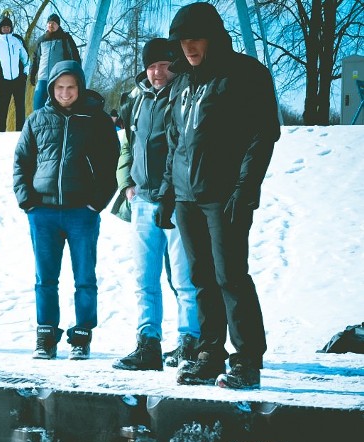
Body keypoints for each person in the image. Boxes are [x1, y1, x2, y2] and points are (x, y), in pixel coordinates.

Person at [156, 2, 280, 389]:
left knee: (230, 276)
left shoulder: (244, 74)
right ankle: (211, 353)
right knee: (200, 277)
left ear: (213, 37)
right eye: (182, 40)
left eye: (196, 38)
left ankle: (247, 359)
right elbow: (175, 142)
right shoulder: (181, 83)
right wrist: (167, 194)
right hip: (188, 196)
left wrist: (245, 189)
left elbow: (263, 135)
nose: (189, 46)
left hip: (225, 196)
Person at [13, 61, 118, 360]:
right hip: (43, 213)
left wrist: (95, 204)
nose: (65, 92)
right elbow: (21, 161)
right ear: (51, 89)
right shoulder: (37, 119)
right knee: (45, 278)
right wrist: (28, 201)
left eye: (71, 87)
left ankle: (81, 336)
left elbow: (111, 163)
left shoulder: (96, 120)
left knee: (84, 277)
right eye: (59, 87)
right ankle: (46, 335)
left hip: (81, 213)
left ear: (79, 87)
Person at [112, 38, 200, 372]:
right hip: (143, 203)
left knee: (183, 277)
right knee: (144, 279)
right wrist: (127, 184)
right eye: (151, 66)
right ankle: (148, 344)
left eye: (163, 65)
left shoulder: (184, 96)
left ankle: (190, 342)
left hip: (176, 201)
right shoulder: (137, 100)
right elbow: (127, 146)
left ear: (174, 65)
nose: (156, 72)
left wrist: (168, 191)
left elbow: (183, 149)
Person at [29, 14, 81, 111]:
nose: (51, 25)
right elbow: (35, 59)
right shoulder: (41, 40)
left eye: (53, 23)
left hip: (58, 80)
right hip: (42, 79)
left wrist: (77, 76)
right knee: (37, 107)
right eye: (49, 23)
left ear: (58, 25)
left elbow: (75, 57)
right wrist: (32, 74)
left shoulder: (65, 38)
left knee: (56, 109)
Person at [0, 16, 29, 132]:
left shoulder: (17, 40)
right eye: (4, 27)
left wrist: (25, 74)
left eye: (8, 27)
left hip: (18, 80)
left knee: (20, 107)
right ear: (0, 28)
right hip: (3, 81)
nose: (6, 29)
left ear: (11, 28)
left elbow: (26, 58)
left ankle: (21, 132)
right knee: (2, 108)